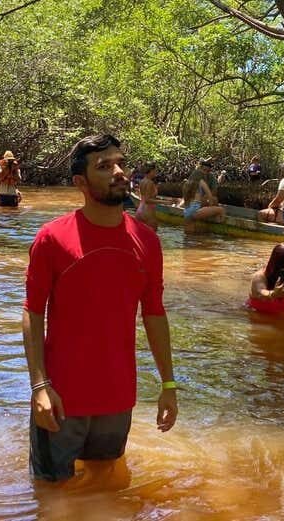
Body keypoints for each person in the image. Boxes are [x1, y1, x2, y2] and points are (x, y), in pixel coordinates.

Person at [22, 134, 178, 483]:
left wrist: (168, 385)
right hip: (62, 397)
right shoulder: (52, 238)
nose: (119, 172)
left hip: (117, 396)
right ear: (80, 182)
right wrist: (39, 386)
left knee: (106, 486)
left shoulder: (148, 242)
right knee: (52, 495)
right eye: (104, 166)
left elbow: (154, 313)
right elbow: (32, 313)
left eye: (120, 162)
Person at [134, 161, 160, 230]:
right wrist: (166, 202)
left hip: (139, 211)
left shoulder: (142, 181)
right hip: (148, 212)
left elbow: (144, 197)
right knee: (152, 238)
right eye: (155, 170)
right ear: (151, 170)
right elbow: (148, 200)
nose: (156, 172)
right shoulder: (150, 182)